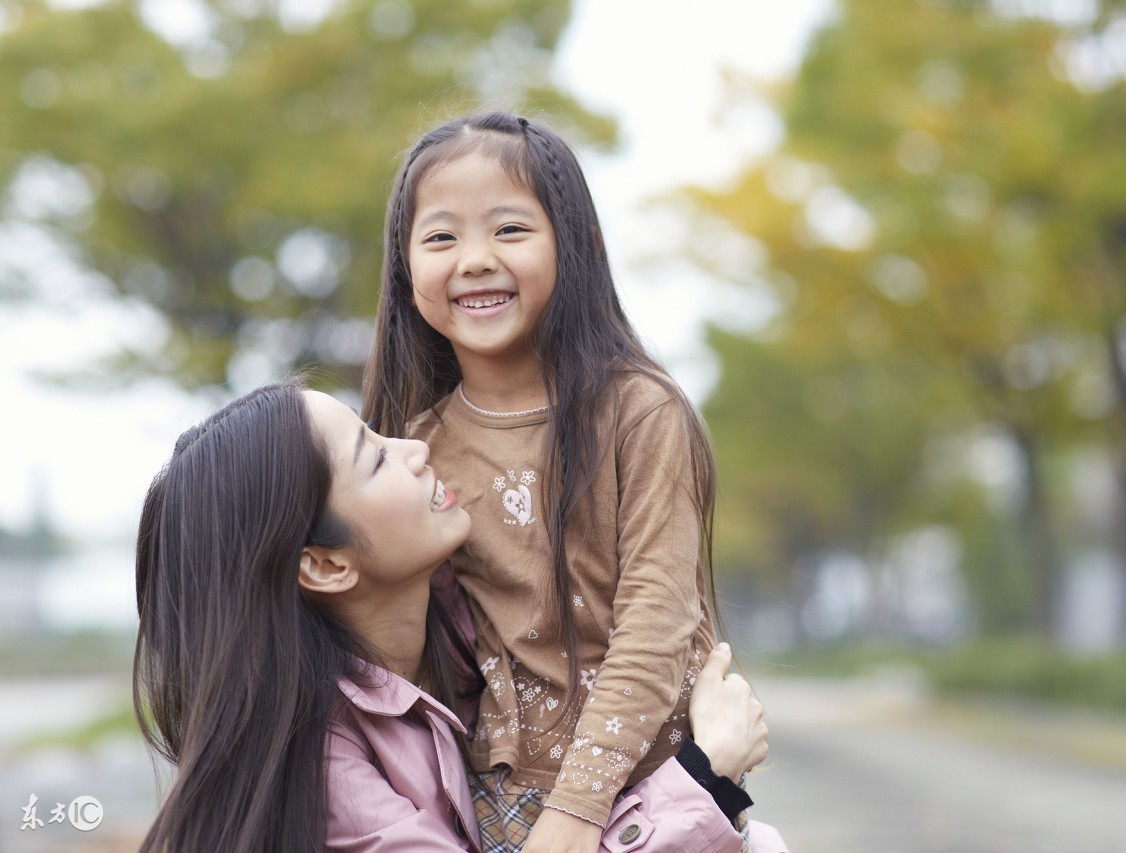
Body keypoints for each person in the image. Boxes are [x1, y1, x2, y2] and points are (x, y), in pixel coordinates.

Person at [361, 111, 774, 852]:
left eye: (510, 230)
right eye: (441, 236)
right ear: (404, 265)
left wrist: (578, 809)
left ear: (579, 247)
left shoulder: (639, 412)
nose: (476, 259)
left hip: (657, 784)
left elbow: (656, 621)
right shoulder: (414, 450)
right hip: (498, 801)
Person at [132, 380, 771, 852]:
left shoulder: (476, 629)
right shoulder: (328, 774)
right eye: (375, 458)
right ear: (326, 566)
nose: (414, 446)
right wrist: (706, 780)